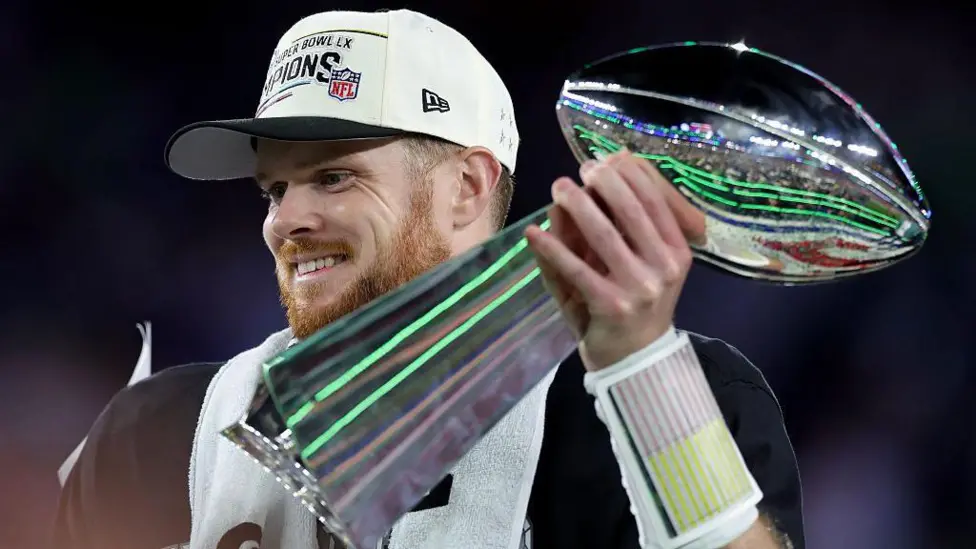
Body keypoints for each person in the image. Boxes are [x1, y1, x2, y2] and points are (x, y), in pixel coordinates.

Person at [53, 9, 804, 549]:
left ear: (468, 187)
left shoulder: (670, 401)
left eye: (335, 176)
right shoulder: (154, 435)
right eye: (274, 190)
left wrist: (643, 368)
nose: (287, 220)